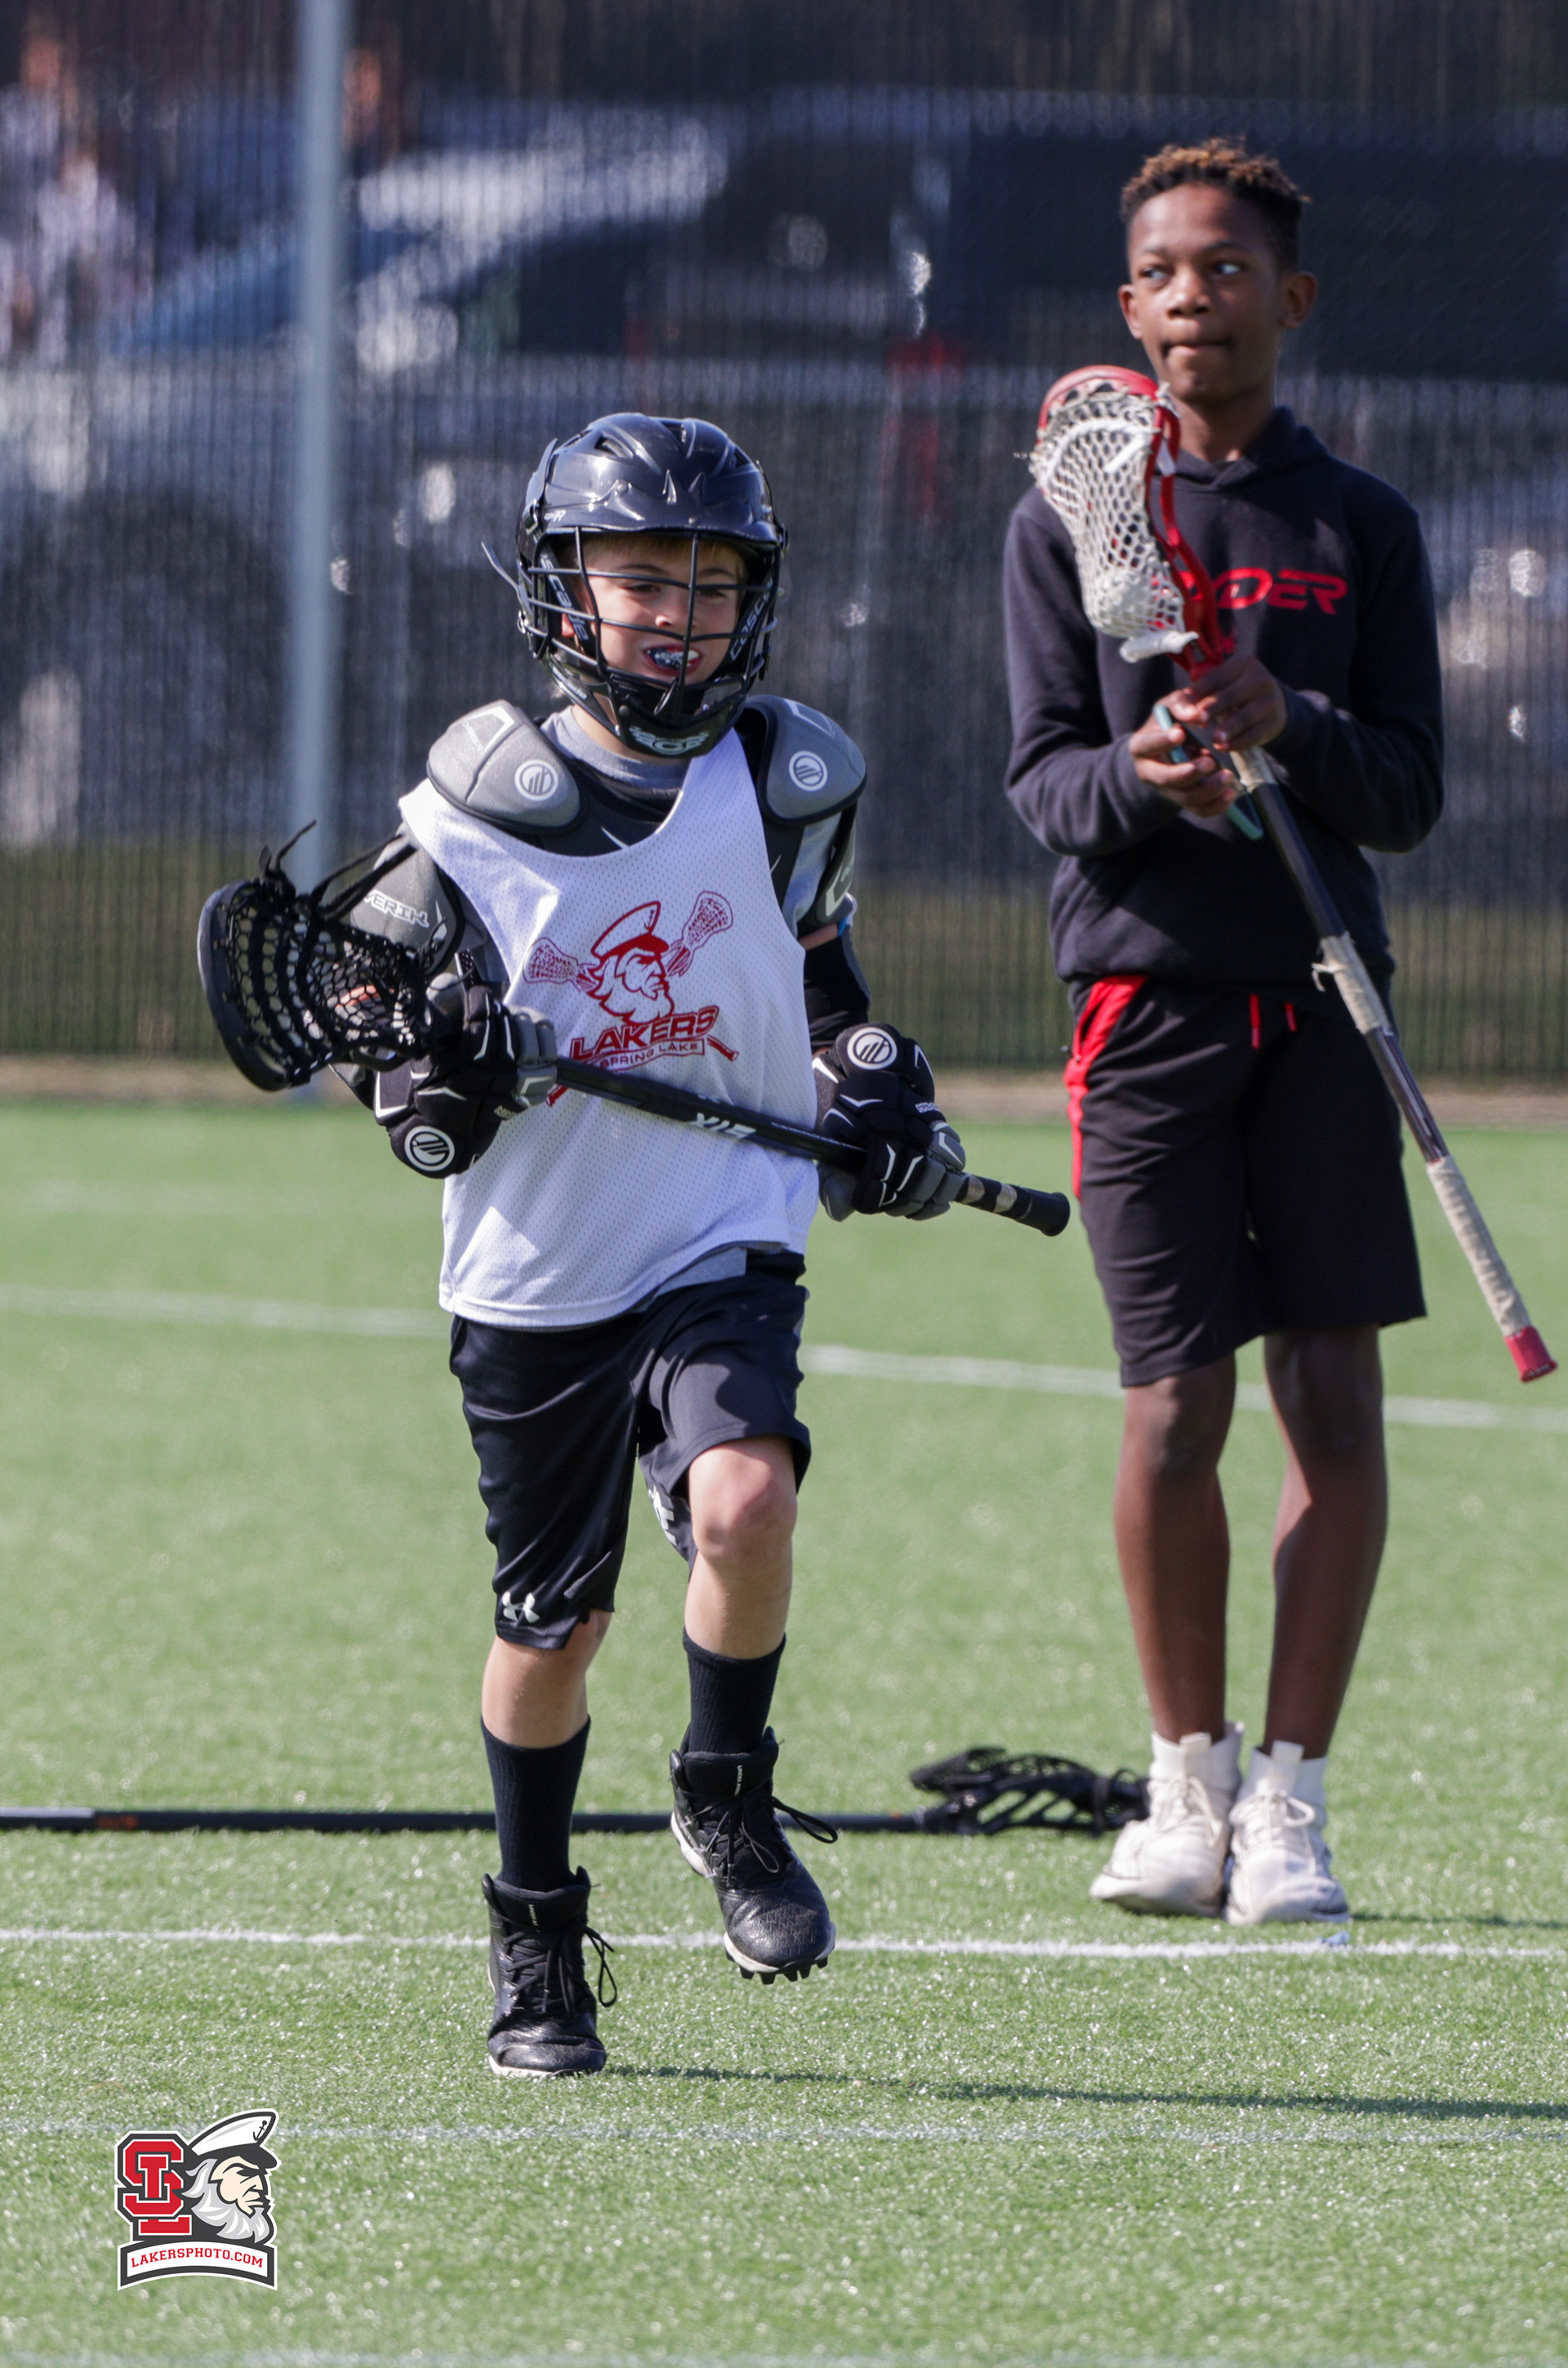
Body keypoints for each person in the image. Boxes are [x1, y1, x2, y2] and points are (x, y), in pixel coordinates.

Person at [343, 412, 964, 2073]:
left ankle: (725, 1792)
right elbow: (382, 1049)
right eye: (640, 581)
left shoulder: (788, 786)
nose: (677, 617)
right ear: (564, 590)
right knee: (551, 1629)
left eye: (709, 584)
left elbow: (819, 988)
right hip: (540, 1269)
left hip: (718, 1232)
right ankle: (535, 1926)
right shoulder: (476, 806)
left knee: (747, 1499)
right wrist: (438, 1070)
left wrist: (873, 1089)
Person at [1002, 140, 1443, 1924]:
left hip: (1327, 1002)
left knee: (1330, 1395)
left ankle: (1290, 1802)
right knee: (1175, 1402)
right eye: (1167, 274)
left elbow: (1406, 789)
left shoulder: (1364, 527)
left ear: (1292, 298)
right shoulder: (1067, 518)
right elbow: (1046, 782)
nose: (1199, 297)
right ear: (1131, 309)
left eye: (1231, 269)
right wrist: (1149, 775)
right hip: (1146, 1006)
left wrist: (1294, 726)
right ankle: (1182, 1788)